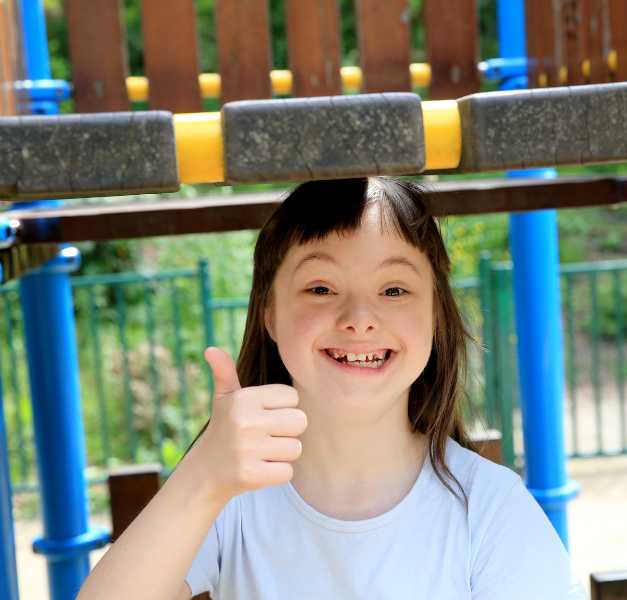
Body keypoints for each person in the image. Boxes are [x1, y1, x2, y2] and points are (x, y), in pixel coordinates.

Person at [77, 177, 586, 600]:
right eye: (321, 288)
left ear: (435, 314)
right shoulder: (230, 499)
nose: (359, 319)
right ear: (269, 315)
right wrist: (202, 478)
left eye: (394, 289)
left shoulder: (490, 509)